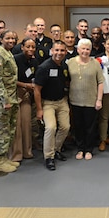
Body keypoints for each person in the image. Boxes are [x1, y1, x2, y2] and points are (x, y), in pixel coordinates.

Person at [35, 41, 71, 171]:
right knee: (50, 127)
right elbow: (37, 89)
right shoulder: (44, 67)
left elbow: (66, 82)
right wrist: (39, 109)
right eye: (57, 50)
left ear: (65, 52)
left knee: (65, 127)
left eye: (62, 51)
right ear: (51, 51)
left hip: (61, 101)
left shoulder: (64, 66)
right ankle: (48, 157)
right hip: (47, 103)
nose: (59, 53)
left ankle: (56, 149)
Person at [0, 29, 20, 173]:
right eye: (8, 38)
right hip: (0, 100)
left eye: (13, 39)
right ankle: (0, 161)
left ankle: (6, 158)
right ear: (1, 39)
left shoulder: (9, 54)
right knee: (1, 131)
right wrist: (5, 100)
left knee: (9, 130)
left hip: (10, 98)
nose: (11, 41)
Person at [67, 39, 104, 160]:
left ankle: (88, 149)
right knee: (78, 126)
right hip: (75, 100)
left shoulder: (95, 63)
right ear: (78, 49)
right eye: (82, 48)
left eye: (87, 49)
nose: (85, 51)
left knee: (90, 127)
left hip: (91, 101)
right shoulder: (70, 62)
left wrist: (99, 99)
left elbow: (101, 82)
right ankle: (80, 149)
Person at [9, 37, 39, 162]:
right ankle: (16, 155)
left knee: (27, 124)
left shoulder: (34, 61)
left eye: (33, 47)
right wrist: (26, 85)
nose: (30, 49)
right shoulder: (15, 60)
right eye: (28, 47)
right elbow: (10, 79)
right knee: (16, 126)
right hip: (15, 95)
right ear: (22, 47)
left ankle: (27, 152)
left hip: (27, 96)